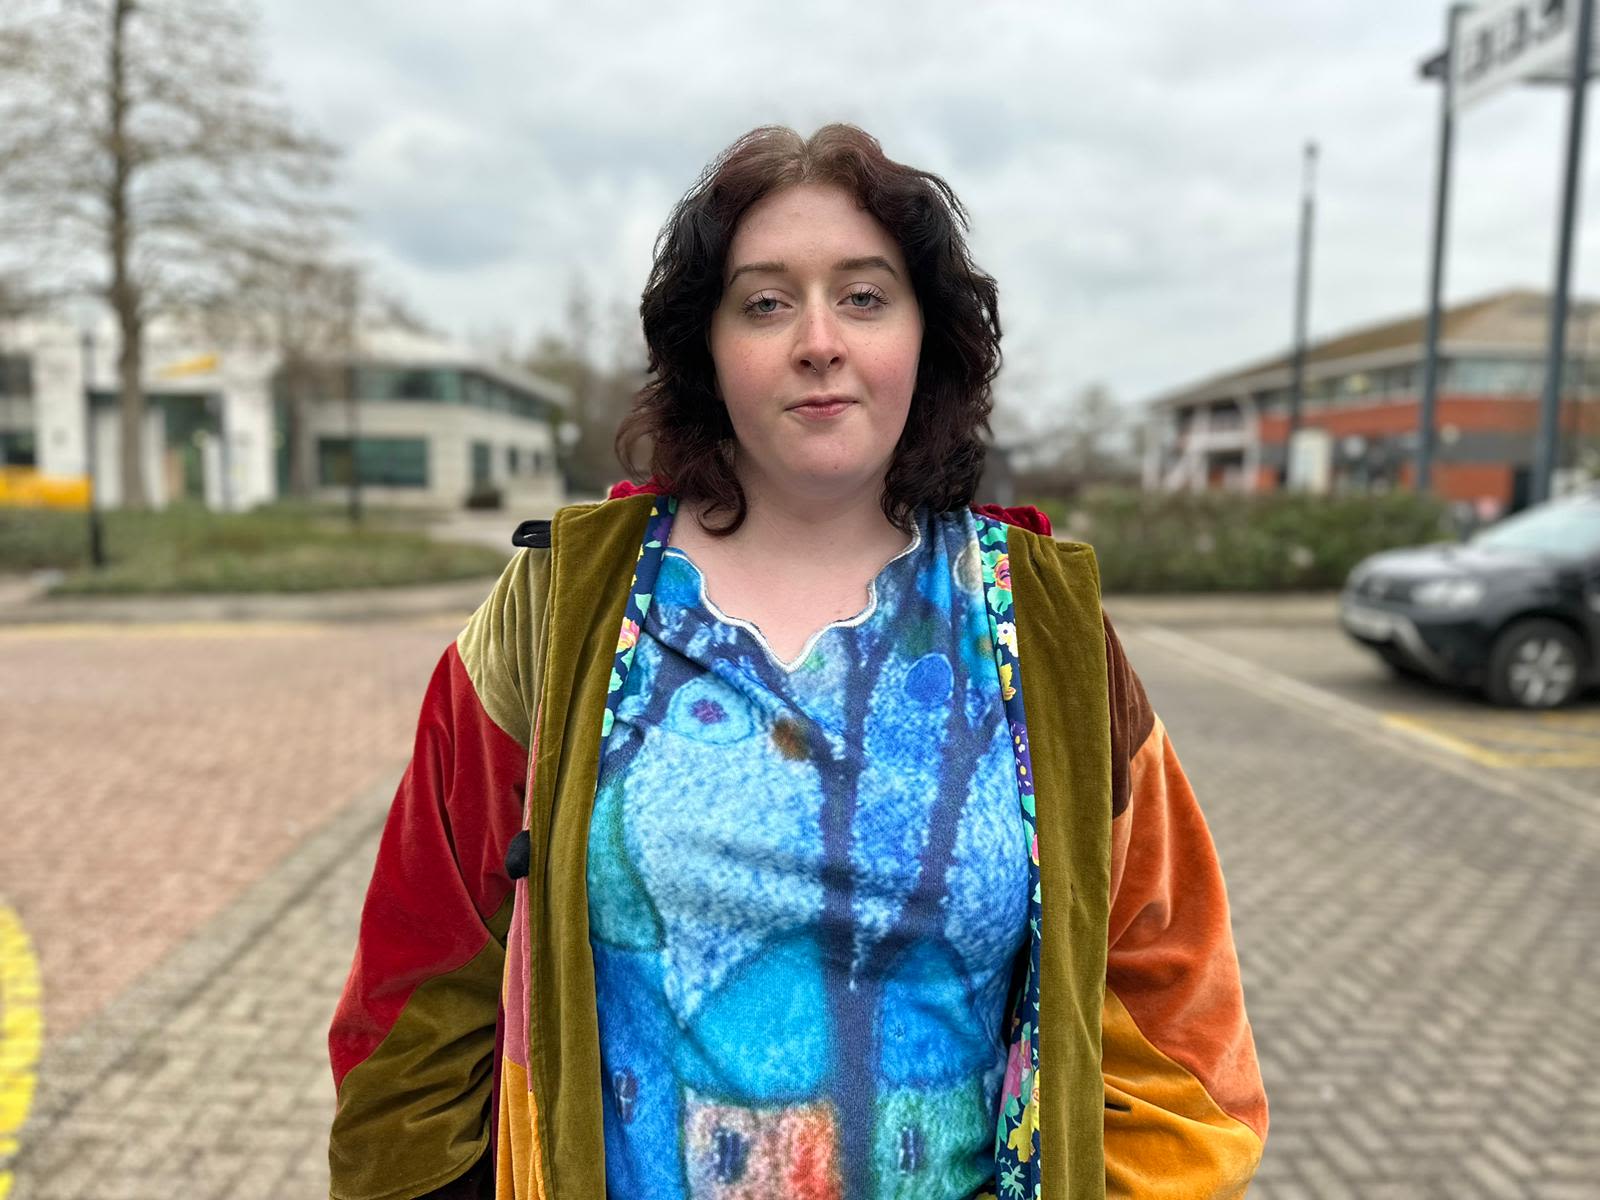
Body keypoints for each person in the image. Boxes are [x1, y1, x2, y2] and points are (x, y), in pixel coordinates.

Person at [327, 124, 1267, 1200]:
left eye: (864, 297)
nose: (818, 339)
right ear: (706, 348)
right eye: (765, 302)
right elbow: (414, 990)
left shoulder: (1039, 635)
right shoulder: (557, 616)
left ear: (927, 339)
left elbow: (1174, 1013)